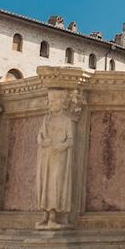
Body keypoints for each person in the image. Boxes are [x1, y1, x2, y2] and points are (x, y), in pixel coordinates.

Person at [36, 90, 77, 229]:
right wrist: (42, 142)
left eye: (55, 102)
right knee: (44, 184)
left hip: (59, 157)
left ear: (62, 103)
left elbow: (70, 140)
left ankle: (54, 216)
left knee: (55, 184)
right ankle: (45, 215)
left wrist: (62, 146)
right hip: (46, 156)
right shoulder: (46, 119)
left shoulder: (66, 120)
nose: (52, 104)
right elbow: (39, 136)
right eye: (51, 102)